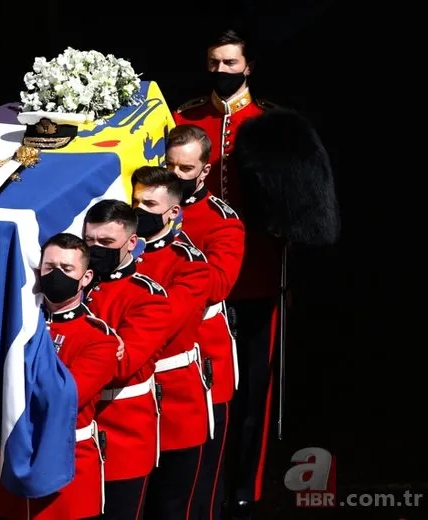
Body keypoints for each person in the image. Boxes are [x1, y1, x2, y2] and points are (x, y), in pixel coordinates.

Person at [173, 29, 340, 520]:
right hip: (197, 272)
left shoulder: (268, 122)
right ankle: (203, 477)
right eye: (214, 63)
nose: (221, 72)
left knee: (252, 387)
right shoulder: (185, 119)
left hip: (254, 271)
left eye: (230, 63)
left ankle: (244, 484)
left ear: (247, 67)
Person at [0, 233, 120, 520]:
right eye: (49, 268)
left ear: (85, 278)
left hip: (67, 466)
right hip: (11, 462)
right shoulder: (17, 326)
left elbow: (60, 398)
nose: (56, 274)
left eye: (67, 269)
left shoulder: (99, 339)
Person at [164, 125, 246, 520]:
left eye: (186, 168)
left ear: (204, 170)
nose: (176, 175)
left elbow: (218, 285)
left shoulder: (221, 221)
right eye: (170, 165)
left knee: (198, 487)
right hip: (157, 356)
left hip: (203, 359)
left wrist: (169, 245)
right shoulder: (146, 207)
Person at [127, 166, 215, 520]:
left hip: (174, 396)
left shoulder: (189, 264)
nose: (139, 210)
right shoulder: (121, 253)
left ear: (173, 212)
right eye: (134, 201)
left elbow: (161, 324)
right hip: (131, 404)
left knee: (170, 505)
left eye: (149, 203)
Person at [82, 200, 171, 520]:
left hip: (120, 430)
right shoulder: (77, 283)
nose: (95, 249)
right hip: (77, 432)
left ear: (131, 243)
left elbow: (122, 365)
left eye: (107, 243)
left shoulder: (148, 296)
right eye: (89, 241)